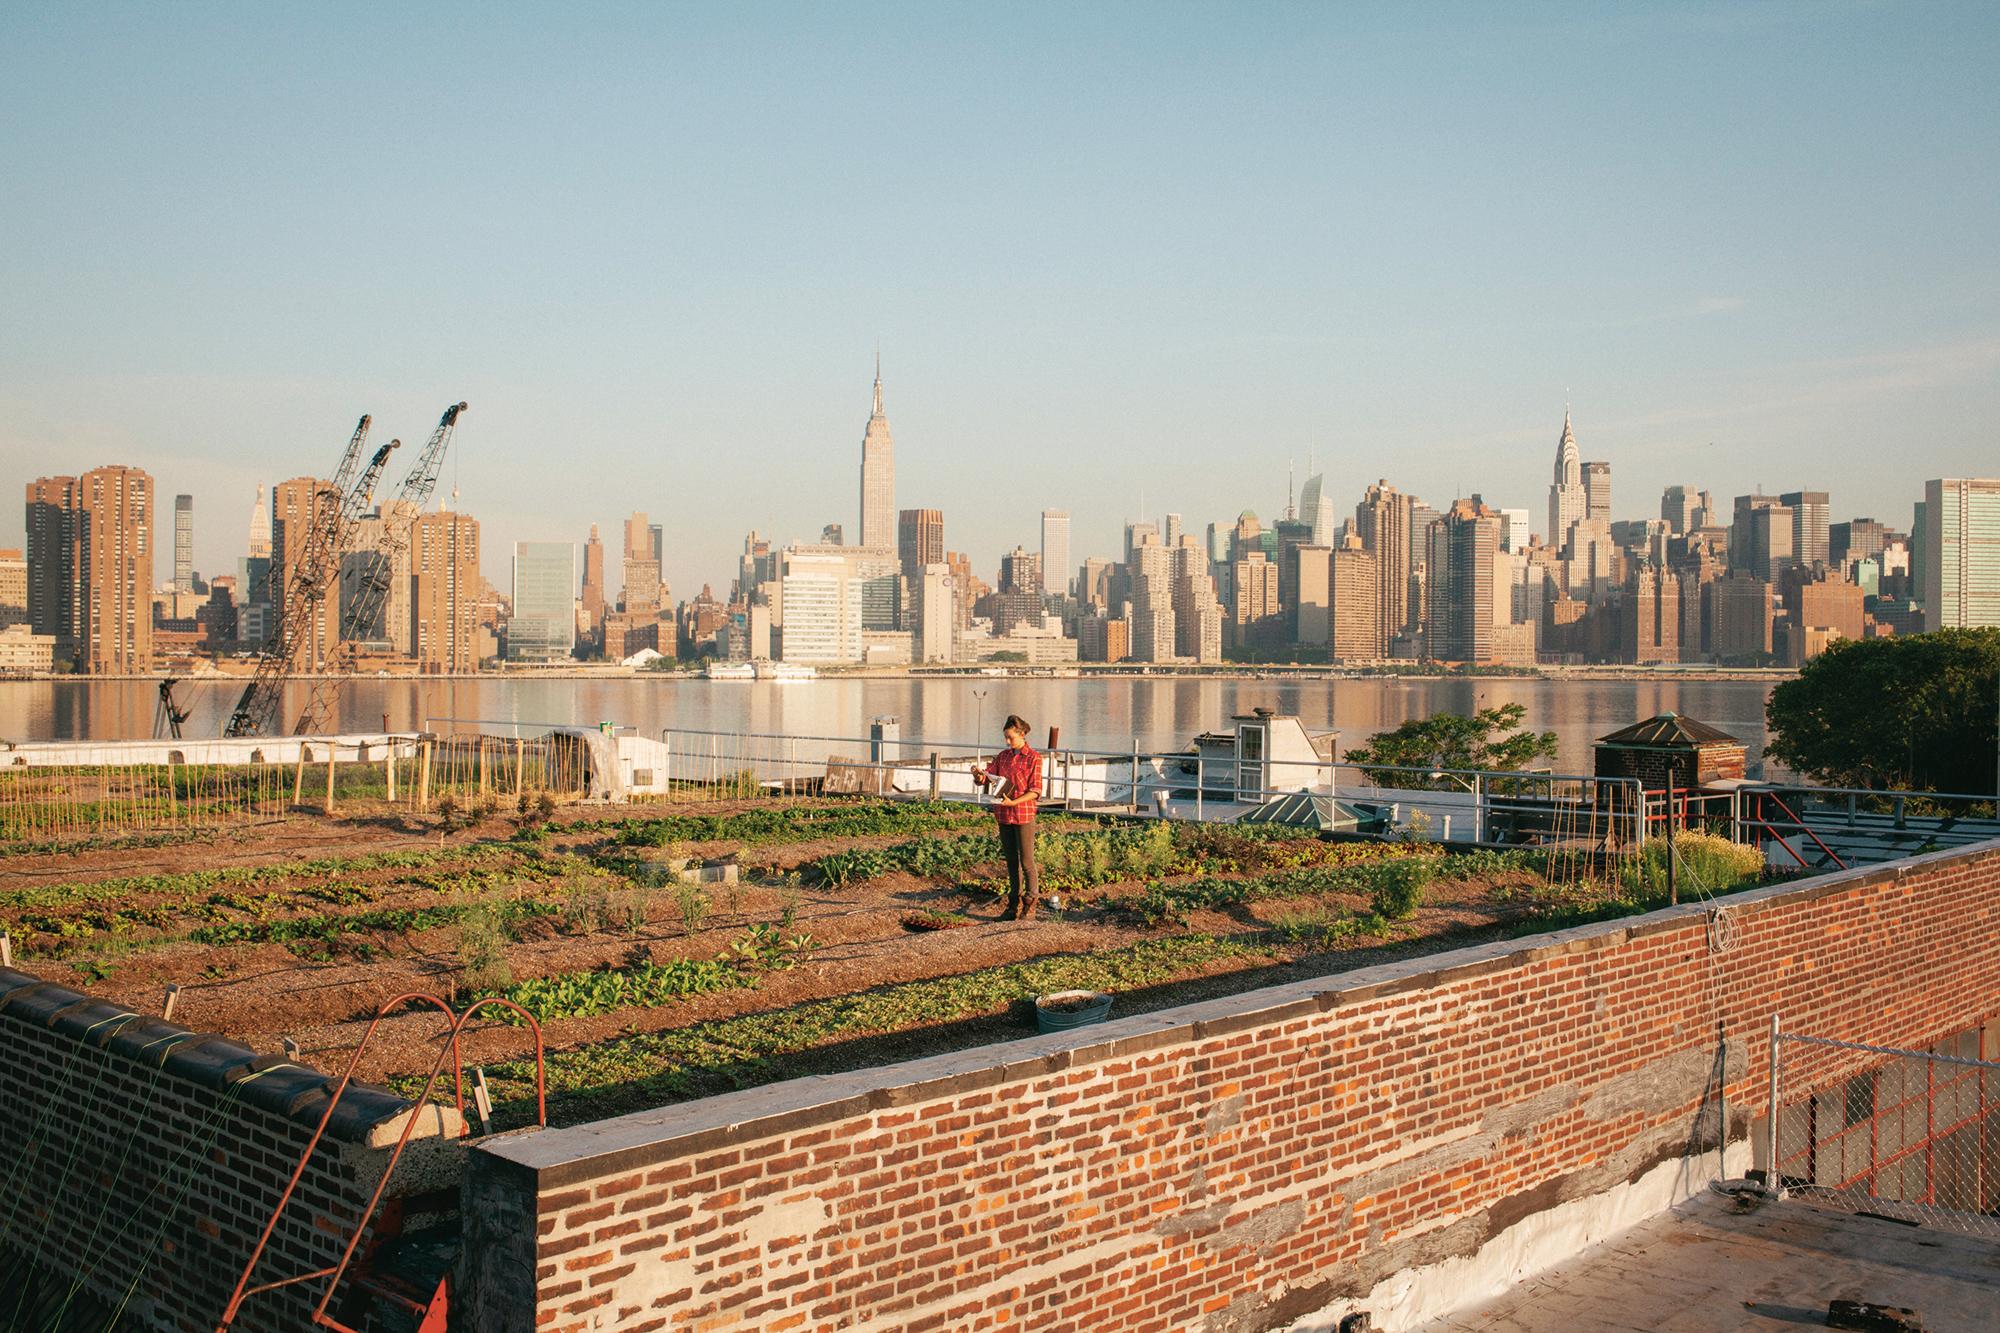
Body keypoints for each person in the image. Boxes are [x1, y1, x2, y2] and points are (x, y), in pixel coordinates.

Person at [971, 714, 1043, 921]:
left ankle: (1031, 902)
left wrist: (1015, 802)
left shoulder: (1034, 758)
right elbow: (987, 776)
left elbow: (1036, 790)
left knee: (1027, 861)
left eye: (1010, 737)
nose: (1007, 741)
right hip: (1003, 813)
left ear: (1022, 734)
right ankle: (1013, 904)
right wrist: (978, 774)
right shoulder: (1003, 756)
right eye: (1005, 737)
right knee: (1011, 860)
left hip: (1023, 814)